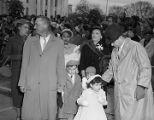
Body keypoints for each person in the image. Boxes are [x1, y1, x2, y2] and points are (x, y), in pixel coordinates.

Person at [102, 23, 154, 120]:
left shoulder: (135, 47)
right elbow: (111, 69)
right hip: (121, 92)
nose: (112, 44)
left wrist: (141, 86)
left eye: (112, 42)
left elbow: (145, 67)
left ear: (119, 38)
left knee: (135, 116)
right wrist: (101, 81)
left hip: (134, 90)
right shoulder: (114, 51)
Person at [18, 16, 66, 120]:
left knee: (48, 114)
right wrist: (22, 82)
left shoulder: (59, 43)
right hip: (32, 83)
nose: (34, 27)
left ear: (45, 25)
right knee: (30, 114)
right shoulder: (29, 41)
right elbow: (25, 63)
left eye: (37, 24)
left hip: (49, 84)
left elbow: (61, 64)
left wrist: (61, 83)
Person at [4, 19, 30, 120]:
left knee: (28, 94)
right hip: (17, 71)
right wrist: (22, 57)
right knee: (17, 93)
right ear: (19, 27)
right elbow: (6, 56)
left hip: (29, 71)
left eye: (28, 28)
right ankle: (19, 116)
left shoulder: (30, 39)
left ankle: (26, 114)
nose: (27, 30)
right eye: (25, 27)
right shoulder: (12, 40)